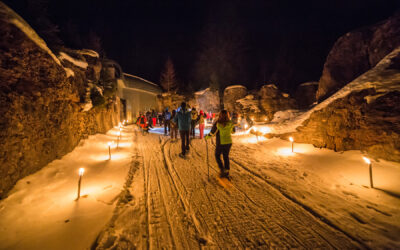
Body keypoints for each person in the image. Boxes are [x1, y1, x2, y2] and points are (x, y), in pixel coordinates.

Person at [205, 110, 235, 178]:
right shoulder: (230, 123)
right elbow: (233, 132)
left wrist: (207, 137)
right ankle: (226, 170)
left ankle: (222, 169)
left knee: (217, 155)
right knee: (226, 156)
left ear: (220, 115)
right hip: (228, 142)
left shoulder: (217, 123)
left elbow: (212, 133)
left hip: (221, 142)